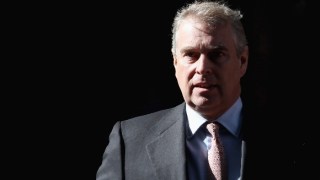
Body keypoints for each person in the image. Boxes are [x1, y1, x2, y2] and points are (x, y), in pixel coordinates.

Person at [96, 1, 272, 179]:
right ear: (175, 63)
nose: (202, 68)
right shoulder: (129, 142)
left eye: (216, 54)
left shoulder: (293, 137)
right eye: (190, 55)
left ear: (242, 61)